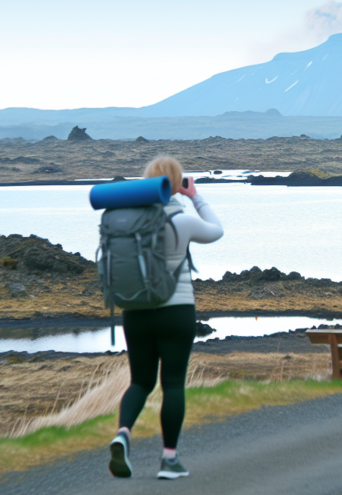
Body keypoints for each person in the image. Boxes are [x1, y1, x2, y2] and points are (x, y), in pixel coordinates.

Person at [108, 156, 224, 480]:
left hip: (136, 313)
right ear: (175, 184)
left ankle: (123, 434)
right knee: (172, 384)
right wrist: (195, 196)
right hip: (176, 312)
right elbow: (217, 230)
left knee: (140, 382)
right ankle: (169, 461)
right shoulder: (182, 220)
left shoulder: (126, 219)